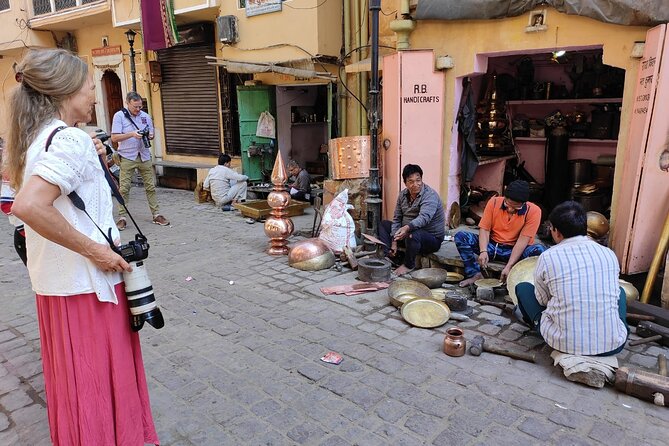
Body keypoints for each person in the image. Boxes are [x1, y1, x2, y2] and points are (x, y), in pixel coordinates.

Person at [5, 48, 159, 445]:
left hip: (57, 289)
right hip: (89, 288)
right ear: (67, 90)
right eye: (91, 86)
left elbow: (21, 210)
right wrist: (98, 251)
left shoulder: (35, 139)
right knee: (100, 383)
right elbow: (30, 206)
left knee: (75, 386)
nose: (94, 94)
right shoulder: (69, 138)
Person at [515, 201, 628, 356]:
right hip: (613, 345)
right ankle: (614, 329)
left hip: (564, 344)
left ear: (556, 232)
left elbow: (542, 301)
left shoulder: (548, 256)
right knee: (620, 292)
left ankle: (535, 323)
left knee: (523, 288)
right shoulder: (608, 254)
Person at [455, 180, 545, 286]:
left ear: (524, 203)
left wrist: (509, 266)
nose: (510, 209)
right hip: (493, 247)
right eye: (507, 204)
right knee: (461, 237)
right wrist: (483, 251)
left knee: (541, 250)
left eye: (515, 207)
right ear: (504, 197)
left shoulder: (534, 211)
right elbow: (485, 229)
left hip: (515, 251)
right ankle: (475, 274)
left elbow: (522, 241)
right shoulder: (494, 202)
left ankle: (521, 281)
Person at [111, 91, 169, 230]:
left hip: (144, 155)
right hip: (127, 156)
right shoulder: (119, 116)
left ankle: (156, 214)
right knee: (124, 189)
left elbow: (152, 134)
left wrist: (149, 135)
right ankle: (122, 217)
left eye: (140, 107)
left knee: (150, 187)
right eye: (135, 107)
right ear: (127, 103)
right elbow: (114, 138)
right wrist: (131, 134)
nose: (138, 110)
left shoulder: (145, 116)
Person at [378, 164, 446, 276]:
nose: (416, 184)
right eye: (411, 181)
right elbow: (397, 218)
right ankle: (390, 254)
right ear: (405, 183)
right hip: (406, 235)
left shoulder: (430, 195)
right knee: (384, 224)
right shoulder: (402, 195)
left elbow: (424, 218)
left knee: (413, 234)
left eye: (418, 180)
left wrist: (406, 228)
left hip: (431, 239)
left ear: (421, 179)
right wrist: (394, 240)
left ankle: (408, 265)